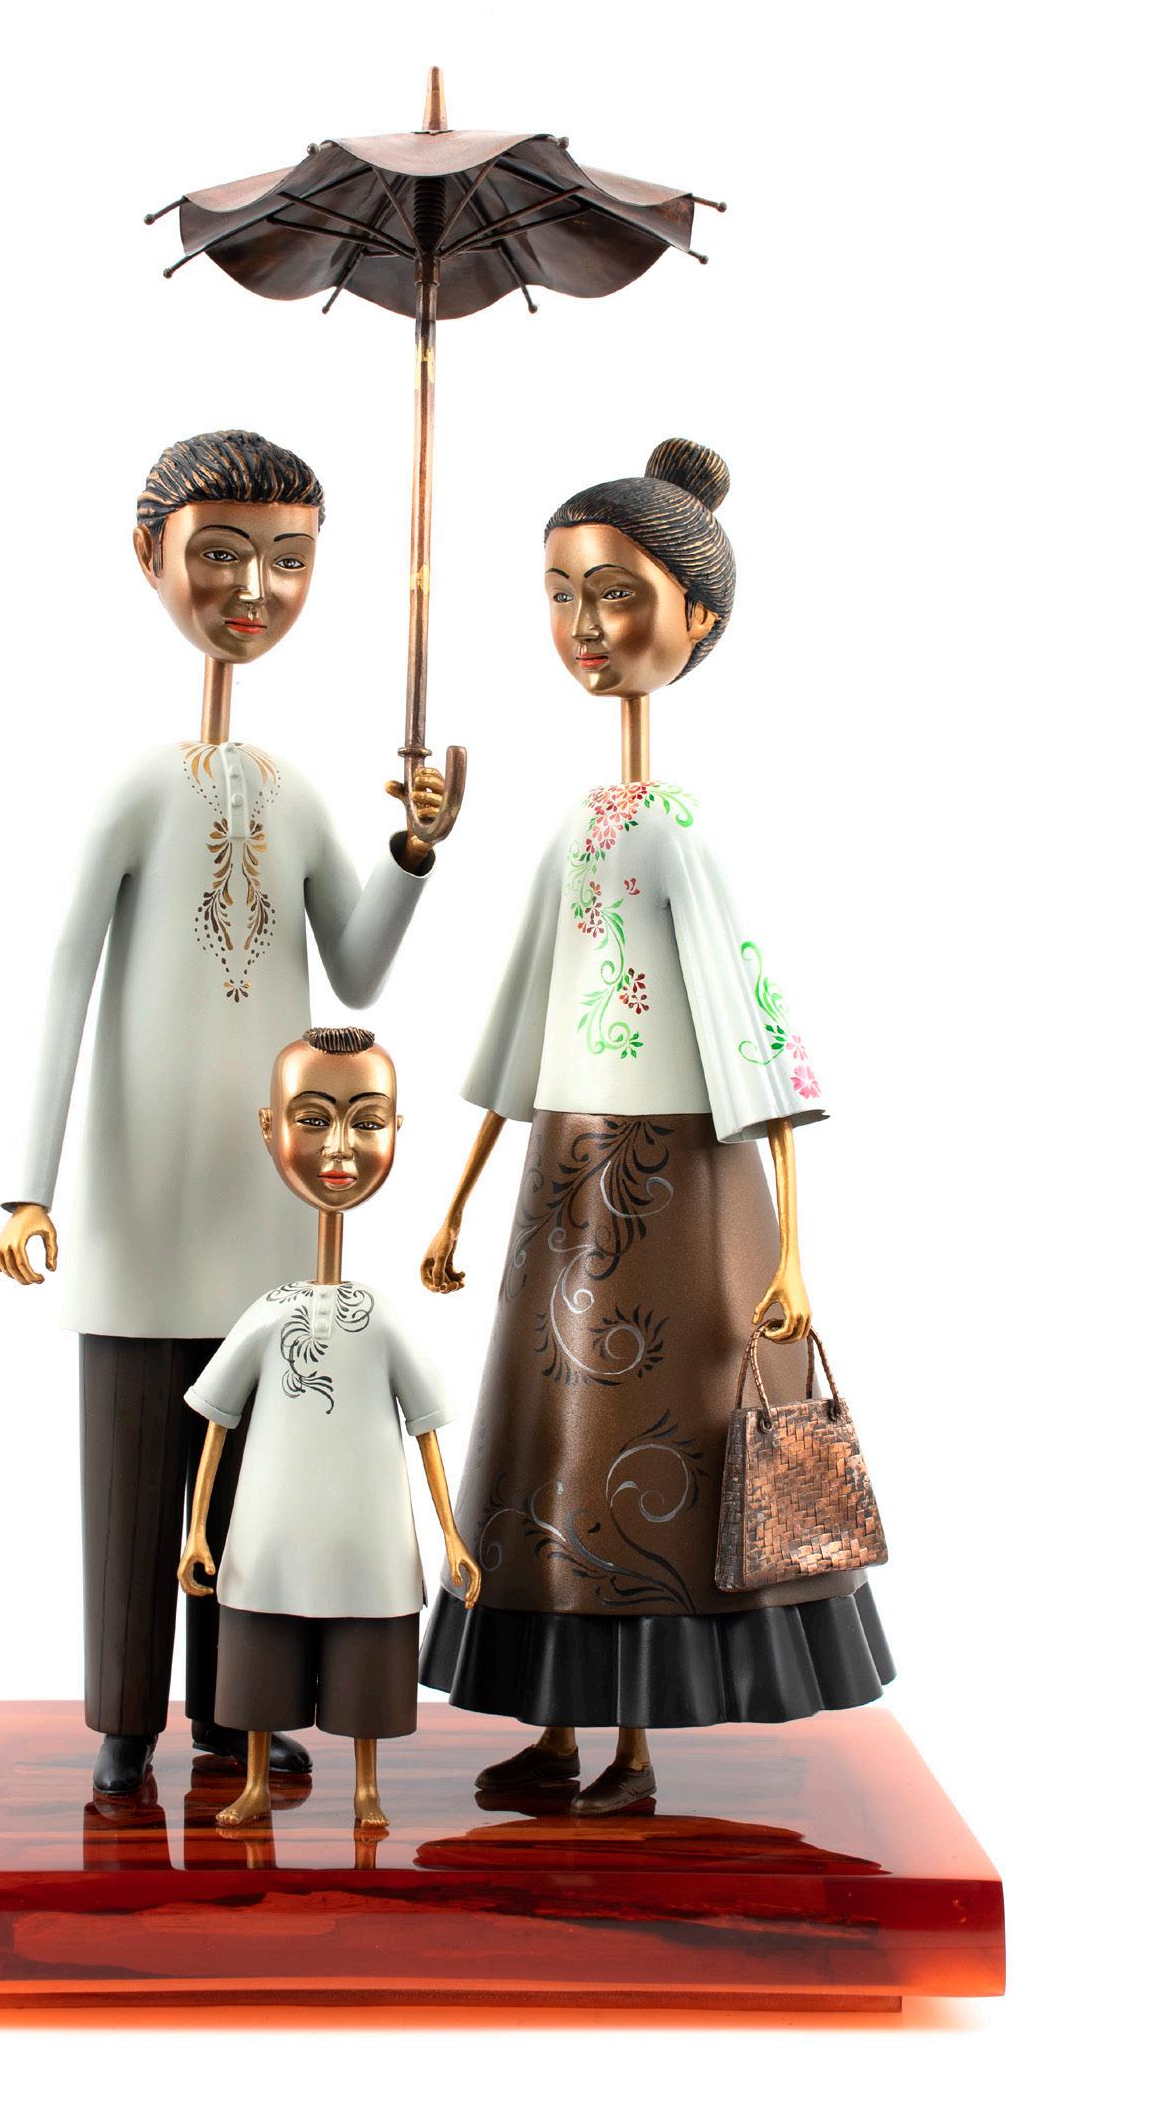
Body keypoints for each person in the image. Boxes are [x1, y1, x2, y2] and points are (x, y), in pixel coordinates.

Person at [418, 437, 893, 1814]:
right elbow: (519, 1020)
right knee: (552, 1444)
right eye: (563, 593)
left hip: (685, 1182)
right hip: (565, 1174)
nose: (585, 625)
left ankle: (631, 1748)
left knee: (663, 1444)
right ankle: (560, 1731)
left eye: (616, 593)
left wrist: (791, 1253)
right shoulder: (576, 826)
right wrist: (457, 1198)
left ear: (700, 619)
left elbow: (757, 1039)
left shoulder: (678, 831)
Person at [0, 430, 446, 1795]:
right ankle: (124, 1723)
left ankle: (233, 1711)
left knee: (251, 1477)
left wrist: (412, 852)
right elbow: (65, 975)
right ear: (153, 557)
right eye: (223, 555)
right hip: (139, 1214)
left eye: (287, 561)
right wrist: (29, 1185)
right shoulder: (137, 790)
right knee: (137, 1478)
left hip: (267, 1213)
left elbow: (355, 967)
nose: (254, 590)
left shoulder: (296, 794)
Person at [179, 1025, 480, 1829]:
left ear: (395, 1128)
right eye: (313, 1119)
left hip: (367, 1535)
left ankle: (365, 1787)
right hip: (267, 1535)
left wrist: (450, 1536)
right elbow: (217, 1421)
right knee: (257, 1658)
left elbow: (425, 1429)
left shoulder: (381, 1318)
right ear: (271, 1126)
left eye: (366, 1121)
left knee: (366, 1664)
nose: (340, 1147)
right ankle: (253, 1779)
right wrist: (198, 1532)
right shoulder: (267, 1313)